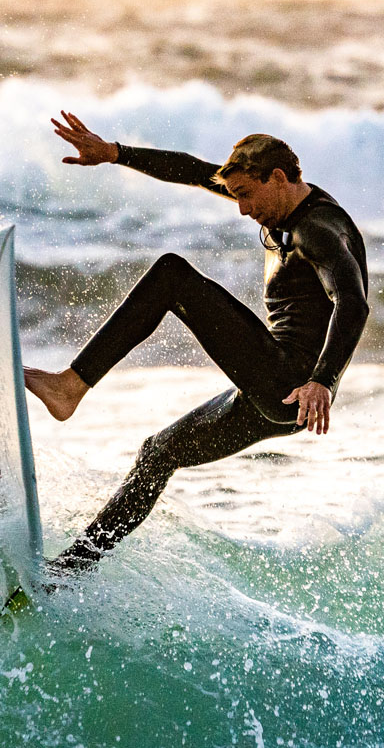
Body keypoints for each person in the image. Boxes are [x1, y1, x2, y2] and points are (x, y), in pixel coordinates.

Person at [27, 111, 369, 577]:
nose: (242, 210)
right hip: (273, 393)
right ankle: (65, 573)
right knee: (158, 453)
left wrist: (321, 382)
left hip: (292, 382)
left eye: (247, 196)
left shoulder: (318, 229)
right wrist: (114, 154)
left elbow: (353, 301)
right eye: (235, 197)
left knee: (172, 276)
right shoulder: (278, 205)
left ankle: (71, 386)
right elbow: (189, 169)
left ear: (277, 177)